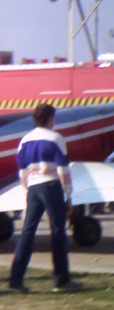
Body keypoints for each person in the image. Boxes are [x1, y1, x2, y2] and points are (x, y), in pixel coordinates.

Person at [8, 103, 78, 293]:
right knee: (57, 231)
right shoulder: (56, 138)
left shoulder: (24, 140)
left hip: (33, 187)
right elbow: (63, 169)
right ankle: (61, 280)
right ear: (49, 118)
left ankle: (15, 279)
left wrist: (28, 187)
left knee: (27, 232)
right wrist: (68, 194)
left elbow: (22, 171)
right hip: (51, 185)